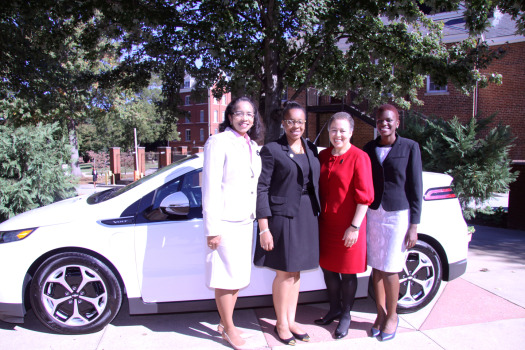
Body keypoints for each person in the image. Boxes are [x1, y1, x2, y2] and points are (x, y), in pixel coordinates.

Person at [254, 101, 320, 346]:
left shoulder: (310, 148)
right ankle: (280, 323)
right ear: (283, 123)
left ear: (305, 124)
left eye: (300, 121)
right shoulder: (272, 150)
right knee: (284, 273)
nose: (296, 126)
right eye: (290, 121)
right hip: (283, 217)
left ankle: (291, 319)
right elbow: (262, 189)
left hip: (307, 215)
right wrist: (264, 227)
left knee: (297, 270)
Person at [202, 96, 264, 349]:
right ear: (229, 116)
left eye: (250, 114)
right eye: (239, 113)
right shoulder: (218, 142)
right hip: (225, 222)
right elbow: (210, 187)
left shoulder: (251, 144)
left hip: (245, 220)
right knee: (226, 278)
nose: (245, 118)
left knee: (237, 277)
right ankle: (228, 328)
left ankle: (223, 322)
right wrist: (212, 229)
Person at [363, 104, 423, 342]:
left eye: (389, 120)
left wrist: (414, 225)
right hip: (374, 214)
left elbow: (416, 188)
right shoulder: (369, 148)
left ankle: (392, 316)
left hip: (398, 215)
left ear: (397, 122)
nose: (383, 124)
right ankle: (379, 313)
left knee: (390, 267)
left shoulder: (409, 147)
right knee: (376, 267)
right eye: (379, 121)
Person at [315, 112, 374, 339]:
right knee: (328, 269)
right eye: (333, 130)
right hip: (326, 225)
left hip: (349, 226)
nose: (337, 134)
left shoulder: (359, 157)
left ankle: (347, 314)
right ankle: (334, 308)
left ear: (350, 132)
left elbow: (364, 197)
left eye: (342, 130)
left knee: (348, 274)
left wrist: (354, 227)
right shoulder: (323, 156)